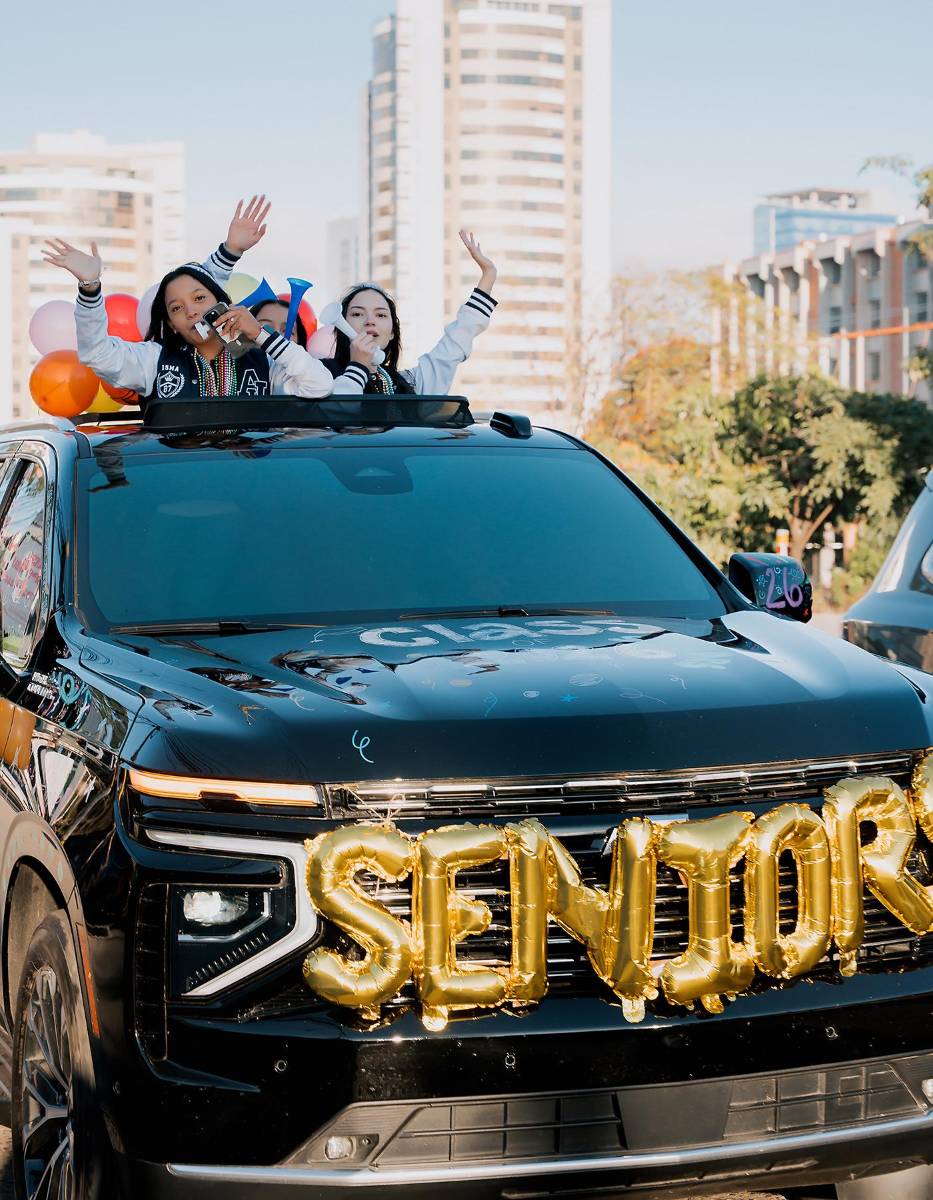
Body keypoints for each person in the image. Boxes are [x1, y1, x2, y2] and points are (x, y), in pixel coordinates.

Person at [43, 198, 362, 406]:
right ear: (171, 324)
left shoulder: (263, 361)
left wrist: (260, 334)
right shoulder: (153, 360)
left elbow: (319, 386)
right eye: (176, 308)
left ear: (224, 304)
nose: (191, 310)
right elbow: (97, 353)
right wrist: (90, 287)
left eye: (199, 299)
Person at [319, 230, 498, 395]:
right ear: (341, 326)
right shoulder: (320, 374)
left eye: (381, 315)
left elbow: (456, 341)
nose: (370, 321)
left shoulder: (408, 383)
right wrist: (358, 366)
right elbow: (335, 414)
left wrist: (489, 274)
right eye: (357, 314)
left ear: (392, 333)